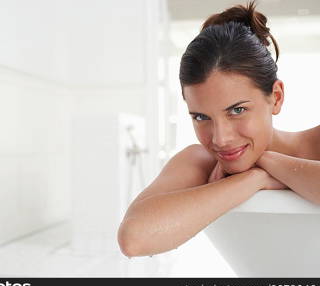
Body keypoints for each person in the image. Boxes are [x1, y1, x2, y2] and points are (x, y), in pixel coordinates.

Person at [117, 0, 320, 258]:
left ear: (276, 97)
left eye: (237, 110)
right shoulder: (200, 161)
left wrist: (268, 161)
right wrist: (255, 178)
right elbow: (135, 238)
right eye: (201, 116)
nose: (220, 139)